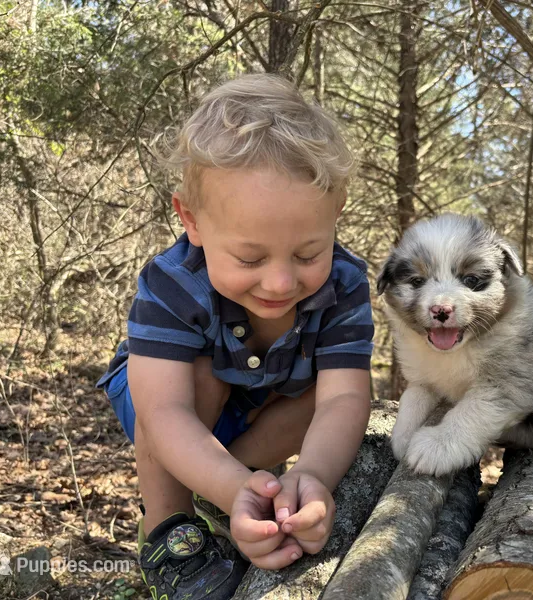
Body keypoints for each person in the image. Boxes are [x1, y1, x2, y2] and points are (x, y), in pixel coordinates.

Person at [96, 74, 374, 600]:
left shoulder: (344, 284)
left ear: (336, 212)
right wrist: (229, 484)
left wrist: (313, 475)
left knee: (332, 391)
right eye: (250, 258)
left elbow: (343, 398)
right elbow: (164, 413)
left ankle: (235, 493)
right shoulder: (174, 284)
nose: (280, 282)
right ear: (192, 221)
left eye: (308, 253)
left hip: (257, 414)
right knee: (200, 377)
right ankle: (169, 531)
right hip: (165, 406)